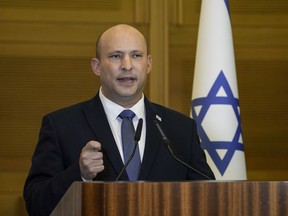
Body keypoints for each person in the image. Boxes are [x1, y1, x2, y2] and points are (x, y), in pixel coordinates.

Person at [23, 24, 215, 216]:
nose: (127, 65)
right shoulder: (61, 126)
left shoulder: (181, 128)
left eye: (136, 55)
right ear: (96, 67)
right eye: (116, 56)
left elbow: (210, 199)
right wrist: (79, 174)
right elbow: (35, 203)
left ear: (148, 65)